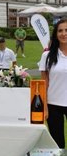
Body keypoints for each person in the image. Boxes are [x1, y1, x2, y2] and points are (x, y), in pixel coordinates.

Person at [39, 18, 67, 148]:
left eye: (66, 30)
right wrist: (44, 107)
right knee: (58, 144)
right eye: (60, 30)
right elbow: (44, 82)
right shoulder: (47, 55)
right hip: (53, 105)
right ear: (56, 34)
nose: (63, 33)